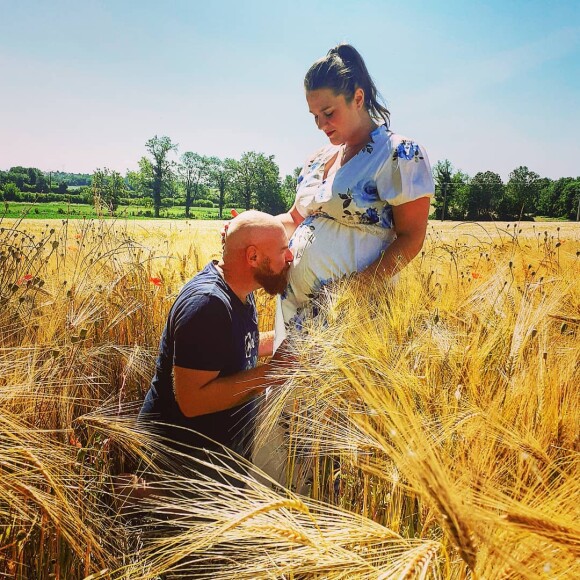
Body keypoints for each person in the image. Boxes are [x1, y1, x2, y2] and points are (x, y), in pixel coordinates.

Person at [272, 43, 434, 348]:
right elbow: (293, 219)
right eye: (314, 116)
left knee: (339, 395)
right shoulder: (318, 158)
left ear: (357, 98)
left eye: (328, 113)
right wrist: (250, 230)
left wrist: (354, 290)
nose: (321, 125)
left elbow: (411, 237)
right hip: (294, 311)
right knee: (292, 395)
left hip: (352, 314)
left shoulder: (399, 154)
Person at [138, 210, 294, 483]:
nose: (290, 257)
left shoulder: (240, 290)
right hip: (181, 469)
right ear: (253, 257)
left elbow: (233, 347)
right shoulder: (208, 305)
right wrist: (270, 375)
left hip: (213, 461)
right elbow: (191, 402)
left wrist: (290, 345)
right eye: (283, 250)